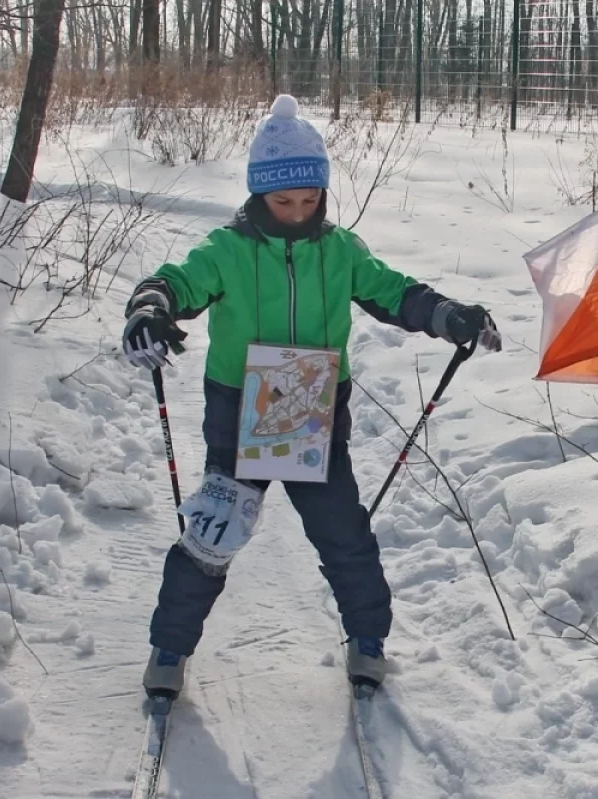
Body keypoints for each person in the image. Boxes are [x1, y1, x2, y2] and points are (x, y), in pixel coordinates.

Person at [121, 94, 501, 699]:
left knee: (341, 531)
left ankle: (368, 637)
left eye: (309, 200)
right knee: (215, 530)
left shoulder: (340, 250)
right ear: (257, 194)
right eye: (283, 201)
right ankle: (169, 648)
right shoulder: (228, 251)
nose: (298, 212)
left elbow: (396, 293)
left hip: (313, 411)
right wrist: (150, 307)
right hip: (241, 407)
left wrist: (449, 315)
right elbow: (176, 282)